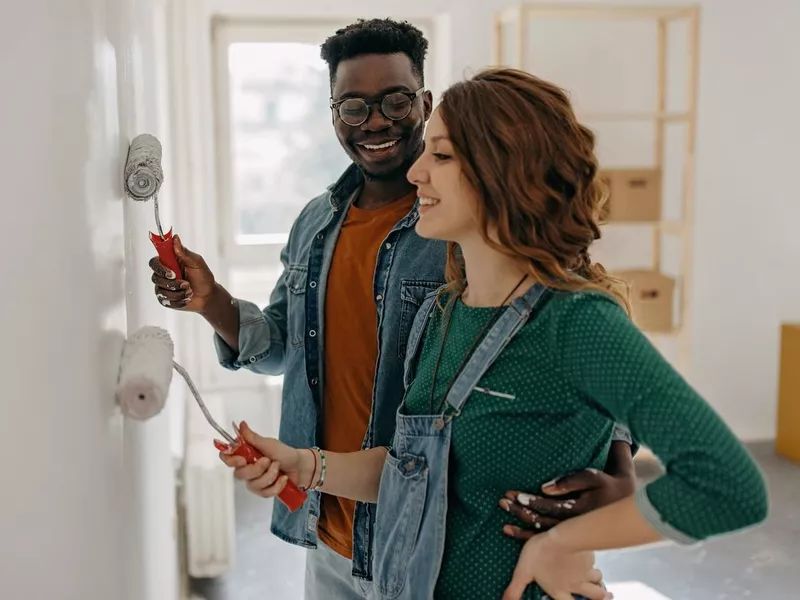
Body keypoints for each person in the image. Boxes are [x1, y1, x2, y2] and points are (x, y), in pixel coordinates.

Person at [219, 67, 770, 600]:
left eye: (441, 156)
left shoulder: (573, 321)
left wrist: (566, 542)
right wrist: (307, 466)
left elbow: (727, 487)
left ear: (501, 172)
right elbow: (413, 470)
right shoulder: (441, 313)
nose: (416, 173)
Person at [150, 19, 637, 599]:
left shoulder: (460, 223)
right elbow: (283, 345)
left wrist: (621, 469)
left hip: (432, 535)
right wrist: (213, 303)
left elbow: (574, 325)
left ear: (424, 102)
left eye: (395, 100)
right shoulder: (315, 223)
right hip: (329, 526)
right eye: (353, 106)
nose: (375, 121)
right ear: (333, 113)